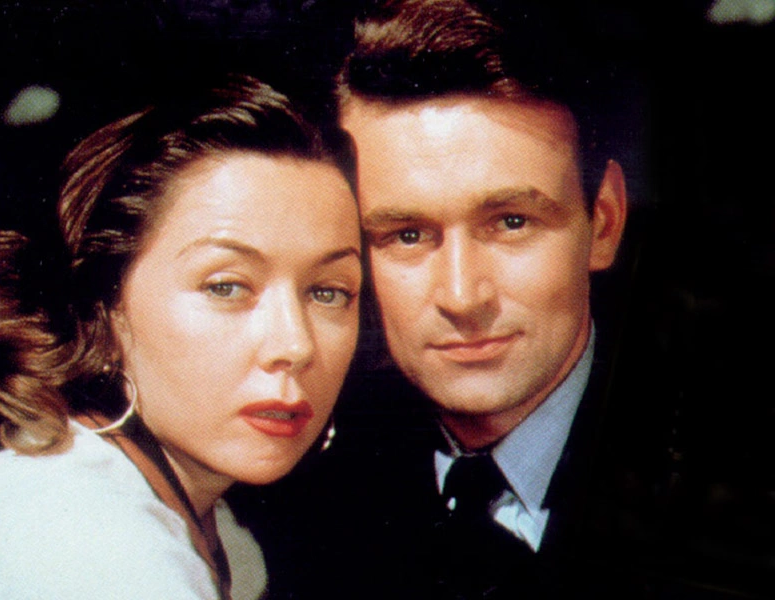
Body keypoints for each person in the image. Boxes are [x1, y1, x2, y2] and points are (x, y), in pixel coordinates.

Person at [232, 1, 644, 599]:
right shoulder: (294, 486)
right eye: (407, 235)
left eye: (511, 222)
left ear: (603, 222)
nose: (461, 297)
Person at [0, 73, 362, 600]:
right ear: (104, 304)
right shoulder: (78, 536)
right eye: (226, 287)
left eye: (328, 292)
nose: (296, 346)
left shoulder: (213, 534)